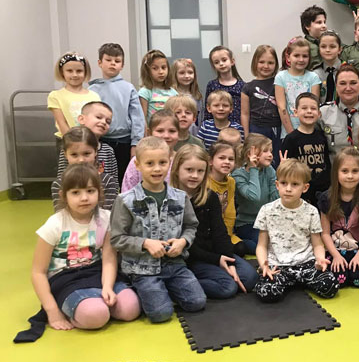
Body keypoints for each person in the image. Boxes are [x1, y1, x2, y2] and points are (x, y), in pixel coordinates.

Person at [33, 164, 140, 332]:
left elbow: (109, 259)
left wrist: (107, 287)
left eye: (90, 191)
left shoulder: (106, 218)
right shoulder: (55, 224)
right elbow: (38, 272)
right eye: (76, 192)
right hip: (66, 278)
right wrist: (52, 311)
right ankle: (77, 308)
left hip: (97, 272)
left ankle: (93, 303)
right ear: (64, 195)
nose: (84, 198)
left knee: (130, 308)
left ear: (99, 192)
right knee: (96, 315)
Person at [110, 136, 206, 323]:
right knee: (161, 314)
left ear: (169, 163)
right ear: (138, 165)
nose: (157, 169)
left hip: (175, 264)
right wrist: (145, 243)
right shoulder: (125, 200)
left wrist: (183, 241)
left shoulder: (180, 197)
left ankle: (162, 291)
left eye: (162, 163)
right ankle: (136, 288)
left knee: (197, 302)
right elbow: (116, 238)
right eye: (150, 163)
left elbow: (191, 226)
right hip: (142, 268)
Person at [171, 145, 258, 298]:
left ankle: (215, 275)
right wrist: (217, 260)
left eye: (200, 171)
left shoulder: (209, 196)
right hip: (191, 257)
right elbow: (188, 245)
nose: (195, 176)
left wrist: (229, 261)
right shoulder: (172, 199)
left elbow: (220, 231)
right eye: (189, 170)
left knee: (250, 279)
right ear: (177, 170)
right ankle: (182, 285)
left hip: (213, 252)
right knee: (227, 287)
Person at [253, 159, 339, 301]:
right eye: (284, 183)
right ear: (277, 185)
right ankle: (290, 282)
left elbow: (317, 244)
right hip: (278, 265)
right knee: (267, 292)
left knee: (330, 286)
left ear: (305, 188)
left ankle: (299, 281)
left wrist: (320, 259)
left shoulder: (311, 211)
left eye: (294, 184)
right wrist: (264, 265)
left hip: (306, 264)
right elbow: (261, 245)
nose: (288, 189)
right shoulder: (266, 210)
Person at [319, 148, 359, 288]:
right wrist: (336, 256)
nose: (350, 176)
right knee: (339, 281)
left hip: (358, 250)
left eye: (355, 171)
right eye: (344, 171)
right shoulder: (326, 198)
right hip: (335, 250)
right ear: (336, 173)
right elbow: (325, 233)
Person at [89, 43, 145, 176]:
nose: (113, 63)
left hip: (124, 142)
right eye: (108, 60)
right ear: (100, 62)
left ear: (122, 65)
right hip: (100, 142)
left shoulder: (129, 88)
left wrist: (135, 144)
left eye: (117, 61)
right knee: (101, 177)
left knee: (124, 176)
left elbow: (137, 118)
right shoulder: (92, 90)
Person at [280, 93, 331, 205]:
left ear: (319, 113)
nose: (309, 111)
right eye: (304, 108)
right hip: (301, 192)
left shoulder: (322, 136)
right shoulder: (291, 139)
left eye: (313, 108)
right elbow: (284, 167)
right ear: (295, 112)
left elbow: (326, 162)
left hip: (323, 191)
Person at [52, 127, 119, 211]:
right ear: (65, 155)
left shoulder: (108, 181)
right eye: (74, 155)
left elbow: (109, 213)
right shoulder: (59, 184)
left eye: (86, 153)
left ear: (95, 151)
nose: (81, 160)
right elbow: (61, 213)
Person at [232, 133, 278, 254]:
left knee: (279, 244)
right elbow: (254, 196)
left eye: (271, 151)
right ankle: (240, 240)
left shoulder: (269, 170)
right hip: (247, 223)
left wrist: (281, 177)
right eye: (265, 151)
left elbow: (276, 199)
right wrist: (254, 169)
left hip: (266, 222)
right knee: (262, 247)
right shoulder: (238, 175)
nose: (270, 155)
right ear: (250, 154)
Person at [56, 101, 119, 184]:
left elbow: (114, 181)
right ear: (81, 119)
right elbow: (61, 179)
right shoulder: (69, 147)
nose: (104, 122)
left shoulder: (108, 150)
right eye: (99, 117)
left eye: (108, 121)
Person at [121, 110, 180, 192]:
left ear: (179, 133)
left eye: (172, 131)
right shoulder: (138, 160)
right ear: (149, 132)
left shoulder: (181, 160)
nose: (166, 135)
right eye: (160, 131)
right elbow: (127, 189)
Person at [206, 142, 249, 257]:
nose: (227, 162)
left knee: (241, 249)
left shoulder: (231, 182)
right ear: (210, 161)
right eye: (221, 158)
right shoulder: (205, 182)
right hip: (209, 231)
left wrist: (227, 235)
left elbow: (230, 212)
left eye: (231, 159)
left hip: (225, 231)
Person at [241, 45, 281, 165]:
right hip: (256, 129)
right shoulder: (247, 87)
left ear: (275, 64)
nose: (266, 66)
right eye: (262, 62)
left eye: (270, 63)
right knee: (257, 160)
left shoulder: (279, 83)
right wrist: (246, 135)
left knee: (274, 160)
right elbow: (245, 113)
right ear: (255, 63)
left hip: (275, 128)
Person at [48, 52, 101, 142]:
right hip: (66, 141)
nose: (75, 75)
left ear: (85, 72)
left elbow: (97, 122)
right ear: (62, 72)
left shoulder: (94, 96)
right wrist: (73, 143)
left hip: (90, 141)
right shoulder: (55, 96)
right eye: (69, 71)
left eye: (79, 71)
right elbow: (61, 123)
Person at [275, 36, 321, 137]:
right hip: (288, 132)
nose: (301, 59)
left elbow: (314, 106)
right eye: (296, 55)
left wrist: (307, 131)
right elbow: (282, 108)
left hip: (309, 131)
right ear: (288, 57)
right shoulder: (281, 77)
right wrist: (292, 134)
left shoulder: (313, 77)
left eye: (305, 56)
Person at [205, 45, 246, 125]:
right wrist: (207, 126)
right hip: (217, 127)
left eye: (224, 60)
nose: (221, 64)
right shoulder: (212, 85)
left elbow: (246, 111)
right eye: (216, 62)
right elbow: (208, 110)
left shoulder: (243, 85)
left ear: (232, 61)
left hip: (237, 127)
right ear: (214, 66)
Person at [138, 49, 178, 121]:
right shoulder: (145, 92)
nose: (161, 72)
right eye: (155, 68)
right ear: (147, 71)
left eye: (163, 67)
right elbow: (142, 118)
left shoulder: (174, 93)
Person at [171, 58, 203, 129]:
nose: (187, 76)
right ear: (175, 74)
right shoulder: (171, 95)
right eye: (182, 73)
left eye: (190, 72)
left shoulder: (197, 96)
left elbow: (200, 118)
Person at [312, 31, 342, 105]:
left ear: (339, 49)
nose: (327, 50)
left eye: (332, 46)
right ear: (319, 49)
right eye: (323, 46)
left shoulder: (347, 71)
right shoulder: (315, 73)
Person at [300, 5, 327, 70]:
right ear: (307, 26)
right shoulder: (302, 45)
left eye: (324, 22)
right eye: (319, 22)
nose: (324, 26)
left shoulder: (330, 42)